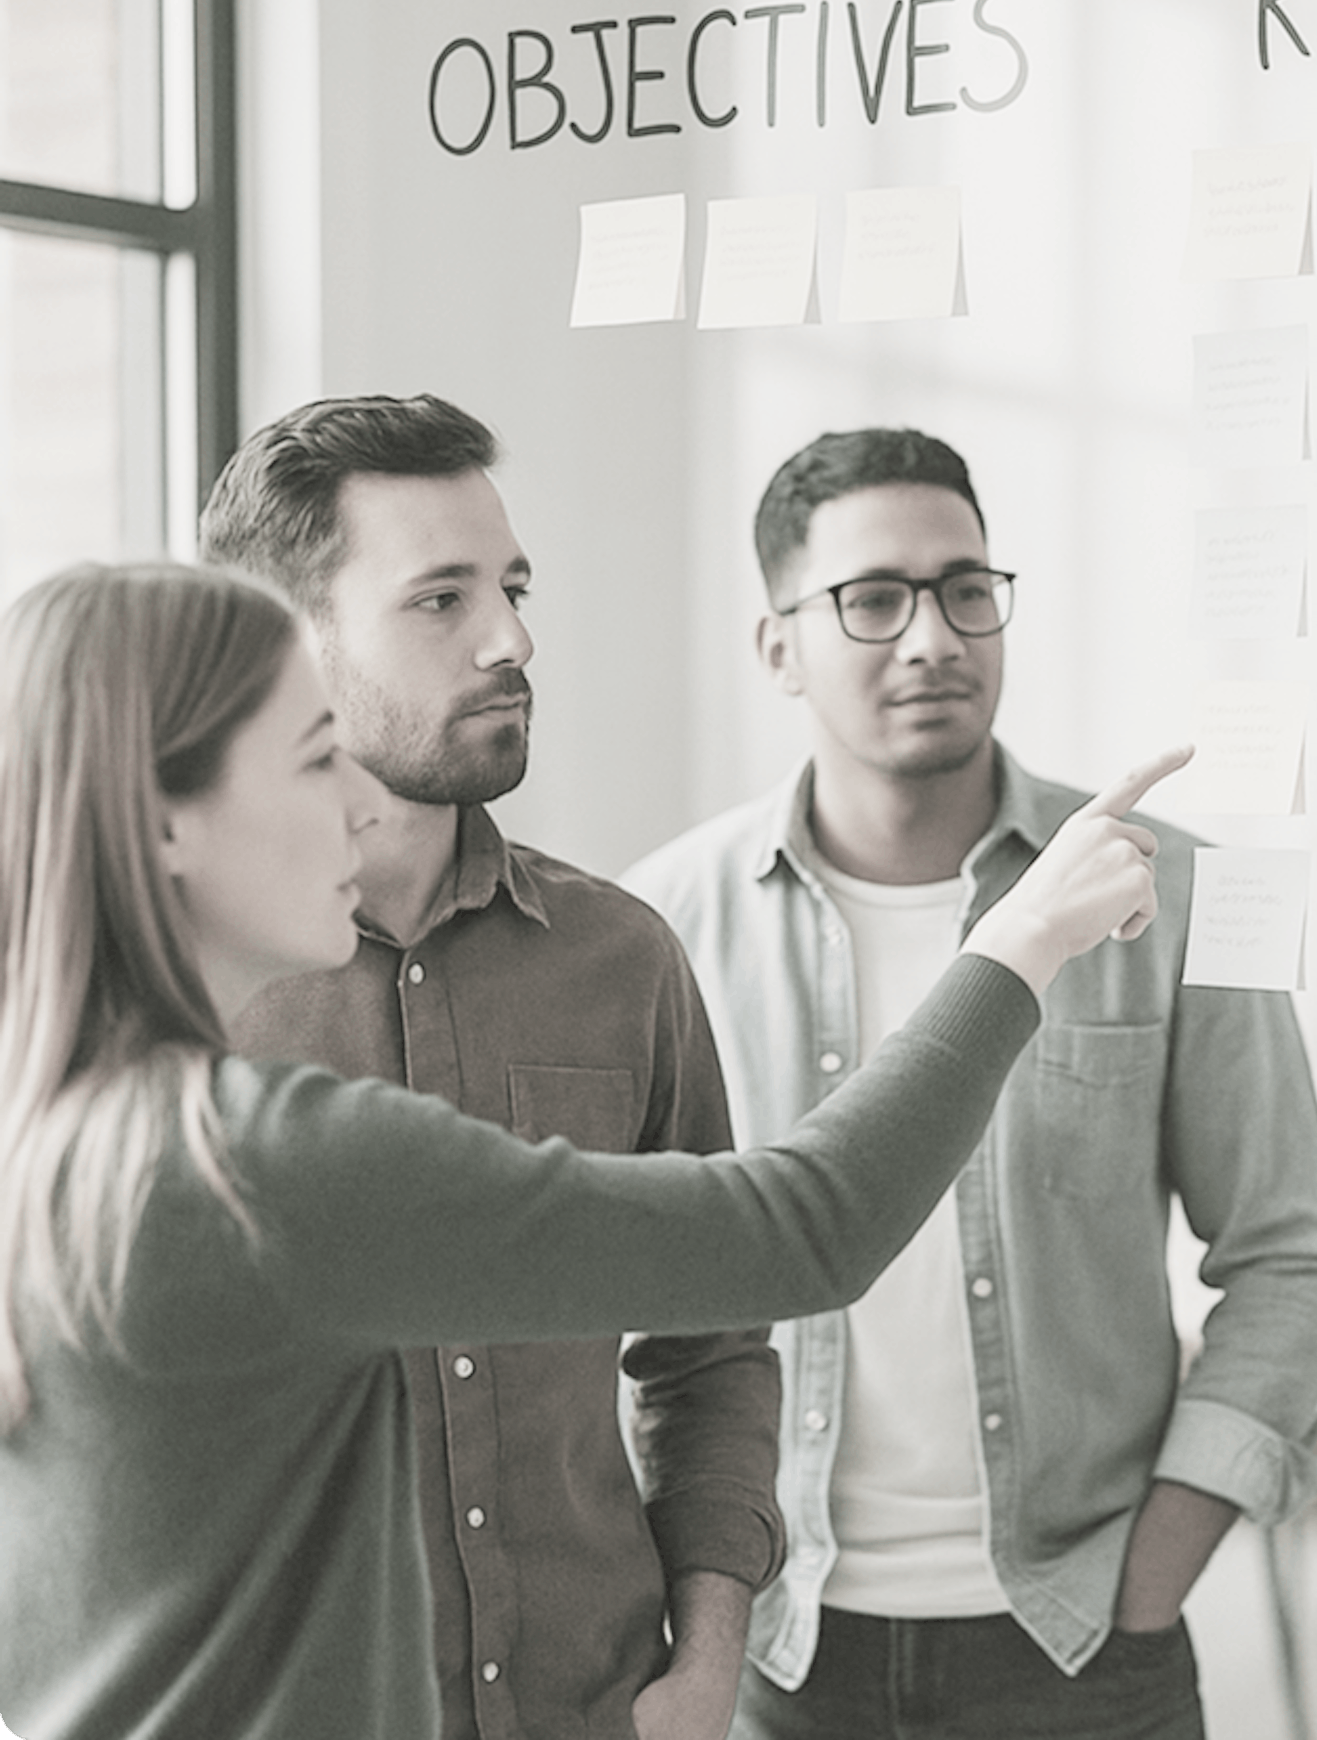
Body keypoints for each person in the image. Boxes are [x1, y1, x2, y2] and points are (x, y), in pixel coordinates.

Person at [0, 559, 1181, 1739]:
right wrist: (1021, 942)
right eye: (315, 758)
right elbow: (810, 1228)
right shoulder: (257, 1163)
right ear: (165, 822)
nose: (359, 806)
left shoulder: (60, 1135)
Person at [623, 427, 1317, 1739]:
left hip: (1086, 1642)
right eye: (873, 597)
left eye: (966, 589)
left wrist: (1153, 1571)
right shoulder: (664, 924)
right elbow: (633, 1304)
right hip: (780, 1648)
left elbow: (1286, 1258)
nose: (933, 638)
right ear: (778, 647)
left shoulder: (1172, 889)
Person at [194, 391, 759, 1740]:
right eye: (440, 599)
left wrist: (708, 1660)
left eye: (512, 587)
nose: (512, 639)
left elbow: (712, 1346)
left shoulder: (623, 959)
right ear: (284, 639)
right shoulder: (171, 992)